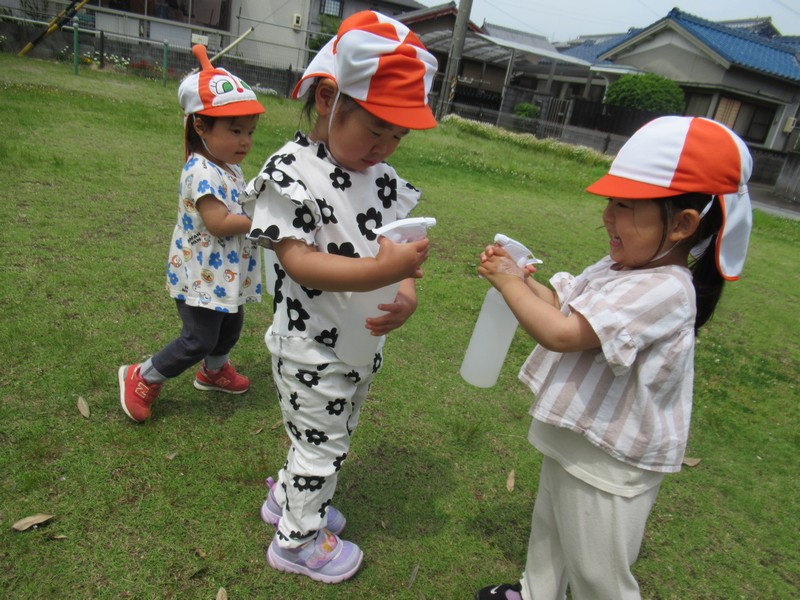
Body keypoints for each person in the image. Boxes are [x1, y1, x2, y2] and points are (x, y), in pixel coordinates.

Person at [474, 116, 753, 600]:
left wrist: (509, 283)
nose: (607, 216)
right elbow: (565, 307)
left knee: (597, 571)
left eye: (625, 206)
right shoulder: (622, 267)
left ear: (682, 224)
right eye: (610, 202)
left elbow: (562, 333)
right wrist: (520, 278)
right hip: (578, 432)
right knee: (550, 529)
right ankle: (536, 592)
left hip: (609, 459)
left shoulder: (667, 288)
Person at [243, 10, 438, 584]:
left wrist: (405, 290)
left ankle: (289, 499)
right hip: (308, 345)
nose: (386, 146)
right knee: (323, 447)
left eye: (398, 136)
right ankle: (297, 542)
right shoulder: (292, 172)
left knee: (329, 434)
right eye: (377, 129)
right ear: (329, 99)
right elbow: (299, 261)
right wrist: (380, 271)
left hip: (358, 343)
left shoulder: (382, 179)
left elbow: (399, 247)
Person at [118, 44, 265, 423]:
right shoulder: (201, 171)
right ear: (201, 126)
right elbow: (218, 222)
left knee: (230, 325)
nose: (245, 141)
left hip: (224, 271)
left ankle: (214, 371)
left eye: (250, 131)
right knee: (199, 338)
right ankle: (143, 375)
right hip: (201, 272)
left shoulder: (228, 165)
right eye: (235, 131)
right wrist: (263, 219)